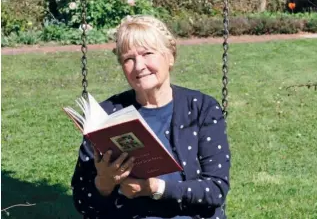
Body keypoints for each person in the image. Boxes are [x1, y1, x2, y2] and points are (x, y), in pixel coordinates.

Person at [71, 15, 231, 219]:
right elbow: (82, 202)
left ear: (170, 56)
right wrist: (104, 182)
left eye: (147, 53)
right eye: (129, 59)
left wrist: (155, 188)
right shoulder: (105, 116)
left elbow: (215, 189)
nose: (139, 66)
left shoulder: (202, 109)